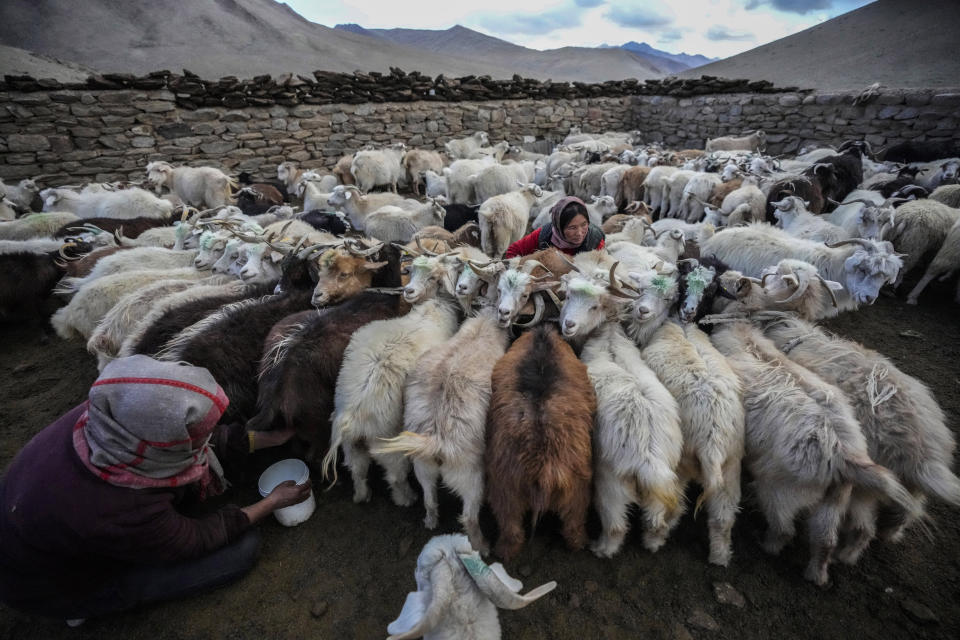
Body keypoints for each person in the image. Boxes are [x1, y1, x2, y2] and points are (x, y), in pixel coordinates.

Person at [0, 355, 310, 625]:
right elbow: (195, 539)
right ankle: (88, 604)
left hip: (34, 518)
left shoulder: (115, 414)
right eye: (193, 438)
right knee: (242, 548)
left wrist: (269, 439)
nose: (200, 441)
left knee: (185, 490)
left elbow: (197, 438)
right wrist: (270, 503)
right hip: (46, 585)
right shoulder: (120, 506)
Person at [504, 196, 605, 258]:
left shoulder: (595, 240)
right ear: (559, 227)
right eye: (572, 228)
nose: (579, 233)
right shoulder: (544, 235)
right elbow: (513, 251)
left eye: (584, 225)